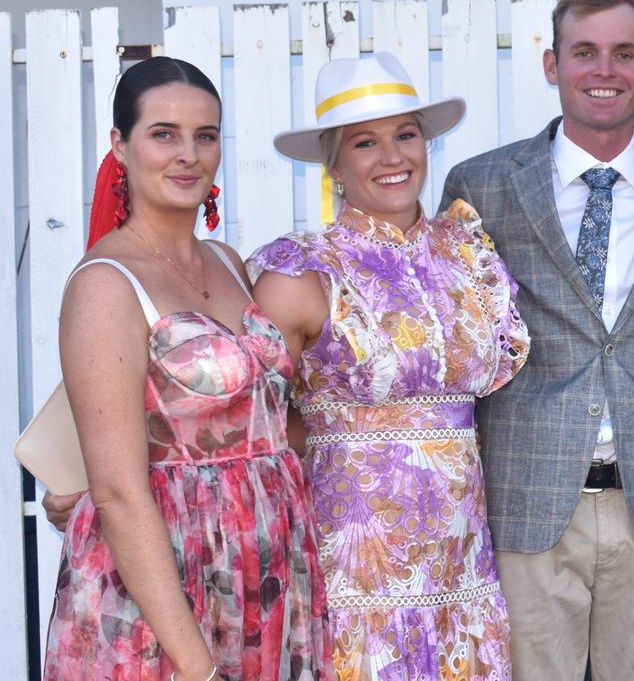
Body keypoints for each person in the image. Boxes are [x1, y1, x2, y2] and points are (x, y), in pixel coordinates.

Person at [439, 0, 634, 681]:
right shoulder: (484, 183)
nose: (605, 71)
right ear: (552, 64)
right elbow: (458, 340)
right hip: (528, 501)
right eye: (585, 52)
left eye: (625, 54)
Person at [43, 57, 330, 680]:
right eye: (163, 134)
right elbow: (119, 492)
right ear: (120, 145)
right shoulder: (105, 285)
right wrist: (198, 667)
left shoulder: (228, 261)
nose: (188, 155)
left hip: (266, 564)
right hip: (165, 583)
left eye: (205, 136)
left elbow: (267, 414)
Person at [247, 52, 529, 679]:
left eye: (406, 134)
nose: (393, 156)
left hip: (462, 571)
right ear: (335, 163)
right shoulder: (302, 271)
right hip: (356, 577)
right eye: (365, 142)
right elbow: (253, 422)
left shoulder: (468, 254)